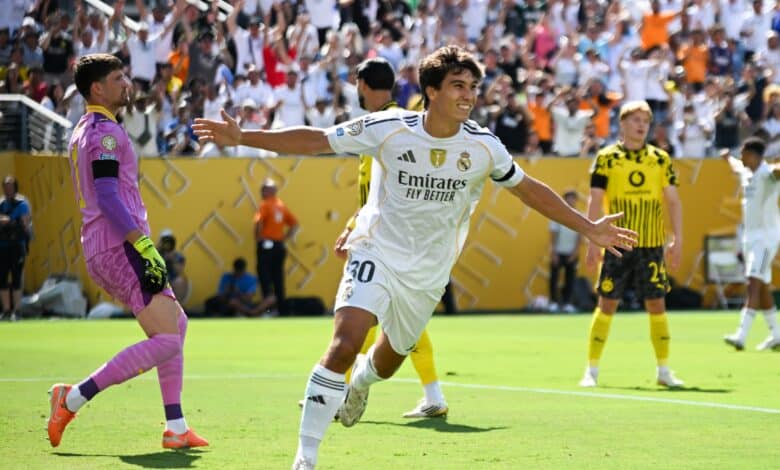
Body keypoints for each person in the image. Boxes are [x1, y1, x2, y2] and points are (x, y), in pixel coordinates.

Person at [193, 45, 636, 469]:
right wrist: (244, 136)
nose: (469, 95)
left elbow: (528, 190)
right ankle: (305, 457)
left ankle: (361, 384)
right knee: (344, 344)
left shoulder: (485, 146)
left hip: (428, 271)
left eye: (473, 87)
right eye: (458, 85)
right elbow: (318, 140)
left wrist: (588, 227)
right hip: (376, 250)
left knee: (387, 363)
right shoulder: (389, 127)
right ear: (432, 90)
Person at [47, 54, 208, 450]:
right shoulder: (105, 133)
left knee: (176, 325)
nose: (127, 84)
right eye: (118, 78)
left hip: (104, 245)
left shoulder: (86, 129)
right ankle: (71, 399)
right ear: (97, 88)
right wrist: (142, 242)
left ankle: (176, 427)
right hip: (120, 245)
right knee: (168, 339)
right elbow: (106, 196)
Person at [332, 57, 449, 418]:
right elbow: (376, 192)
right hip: (389, 235)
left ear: (363, 85)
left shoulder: (385, 124)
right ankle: (431, 395)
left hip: (389, 239)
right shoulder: (399, 121)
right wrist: (353, 225)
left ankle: (338, 391)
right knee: (392, 317)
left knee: (367, 314)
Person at [580, 100, 684, 389]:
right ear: (622, 123)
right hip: (616, 243)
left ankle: (664, 370)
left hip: (651, 244)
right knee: (607, 303)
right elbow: (595, 199)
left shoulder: (660, 159)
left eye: (645, 121)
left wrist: (677, 239)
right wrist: (591, 240)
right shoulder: (606, 158)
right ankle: (591, 370)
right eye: (635, 120)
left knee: (657, 304)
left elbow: (673, 201)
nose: (641, 126)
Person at [721, 139, 780, 351]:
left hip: (766, 240)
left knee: (753, 283)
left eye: (744, 153)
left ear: (754, 155)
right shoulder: (746, 172)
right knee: (761, 286)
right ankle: (777, 335)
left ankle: (741, 335)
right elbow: (735, 165)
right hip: (750, 239)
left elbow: (777, 172)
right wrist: (727, 158)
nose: (741, 157)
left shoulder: (767, 174)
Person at [255, 178, 298, 316]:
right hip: (279, 245)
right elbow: (294, 224)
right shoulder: (281, 205)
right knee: (278, 277)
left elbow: (258, 222)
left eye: (264, 189)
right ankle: (280, 309)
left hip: (267, 244)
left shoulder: (265, 204)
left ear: (268, 191)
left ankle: (268, 308)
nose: (262, 192)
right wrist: (285, 238)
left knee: (265, 276)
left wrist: (258, 237)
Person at [0, 175, 31, 321]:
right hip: (3, 246)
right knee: (2, 278)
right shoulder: (1, 204)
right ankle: (6, 310)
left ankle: (17, 310)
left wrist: (10, 221)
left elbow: (25, 224)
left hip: (17, 246)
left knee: (16, 277)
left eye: (11, 187)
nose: (8, 189)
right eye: (6, 187)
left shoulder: (22, 204)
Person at [205, 257, 274, 317]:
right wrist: (227, 291)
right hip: (229, 304)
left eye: (240, 271)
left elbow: (248, 299)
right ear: (234, 269)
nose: (238, 273)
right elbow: (220, 296)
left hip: (245, 304)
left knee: (271, 298)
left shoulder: (251, 279)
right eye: (237, 271)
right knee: (231, 301)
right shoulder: (226, 277)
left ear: (244, 269)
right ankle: (252, 313)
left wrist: (238, 292)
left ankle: (252, 313)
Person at [548, 190, 581, 314]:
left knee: (570, 279)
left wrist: (575, 252)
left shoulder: (579, 216)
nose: (571, 201)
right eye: (569, 198)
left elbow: (580, 235)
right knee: (554, 278)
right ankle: (553, 303)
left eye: (573, 198)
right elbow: (553, 235)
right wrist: (553, 252)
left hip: (571, 253)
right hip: (558, 252)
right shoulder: (556, 214)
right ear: (564, 200)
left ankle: (567, 303)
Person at [157, 229, 189, 302]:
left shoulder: (177, 255)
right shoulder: (155, 253)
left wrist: (172, 258)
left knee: (179, 281)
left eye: (169, 241)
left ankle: (177, 305)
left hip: (172, 280)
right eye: (164, 241)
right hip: (159, 280)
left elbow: (179, 271)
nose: (167, 244)